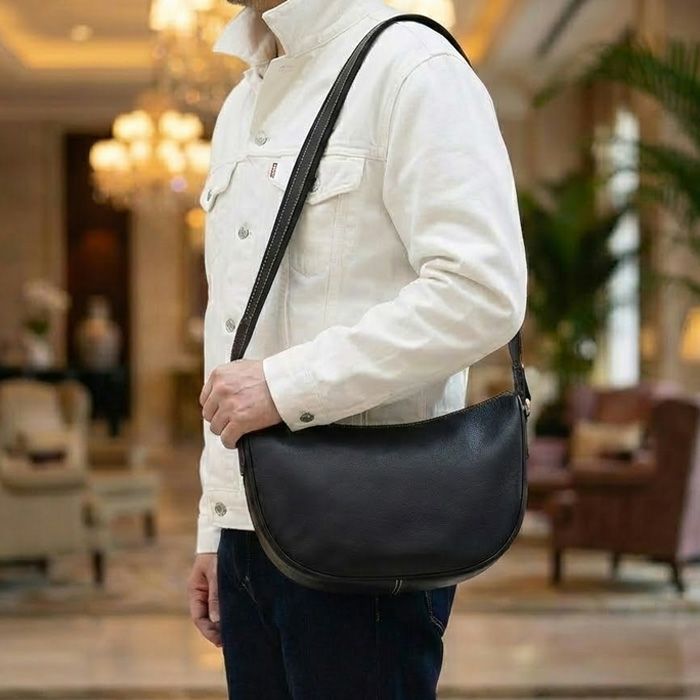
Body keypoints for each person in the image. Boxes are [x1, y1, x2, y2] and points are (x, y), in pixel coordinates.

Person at [188, 0, 528, 697]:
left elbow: (481, 291)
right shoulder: (240, 103)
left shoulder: (412, 68)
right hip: (248, 530)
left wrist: (285, 386)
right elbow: (235, 328)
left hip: (366, 529)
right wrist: (215, 525)